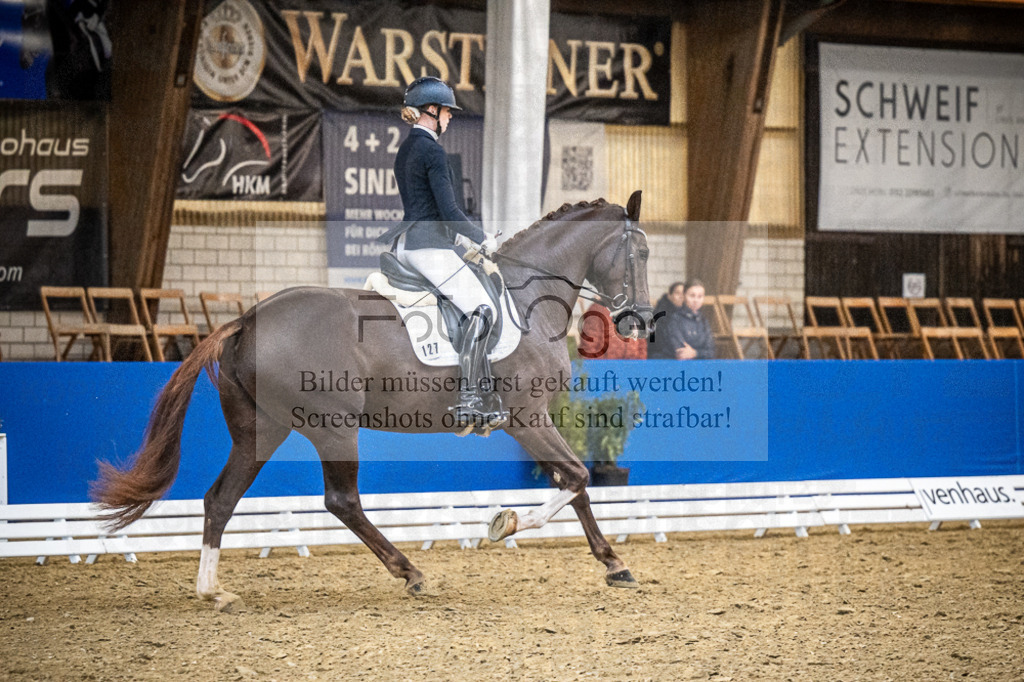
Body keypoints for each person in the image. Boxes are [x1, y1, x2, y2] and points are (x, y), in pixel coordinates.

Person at [385, 76, 506, 429]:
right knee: (483, 309)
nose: (451, 118)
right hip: (427, 247)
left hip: (408, 244)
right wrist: (483, 238)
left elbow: (428, 209)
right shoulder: (433, 151)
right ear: (431, 111)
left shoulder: (407, 148)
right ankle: (470, 396)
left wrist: (462, 242)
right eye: (447, 112)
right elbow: (449, 210)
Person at [662, 279, 715, 360]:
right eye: (692, 296)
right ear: (684, 296)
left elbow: (711, 351)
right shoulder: (675, 319)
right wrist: (701, 353)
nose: (696, 300)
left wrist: (695, 353)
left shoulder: (703, 320)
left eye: (700, 296)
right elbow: (681, 352)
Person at [578, 302, 647, 359]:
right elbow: (588, 348)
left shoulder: (633, 309)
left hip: (631, 369)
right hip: (604, 370)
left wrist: (638, 365)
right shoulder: (597, 310)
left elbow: (641, 343)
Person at [647, 282, 686, 359]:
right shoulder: (659, 315)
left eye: (684, 293)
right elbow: (658, 342)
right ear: (669, 295)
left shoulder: (688, 313)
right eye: (677, 293)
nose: (681, 296)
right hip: (661, 356)